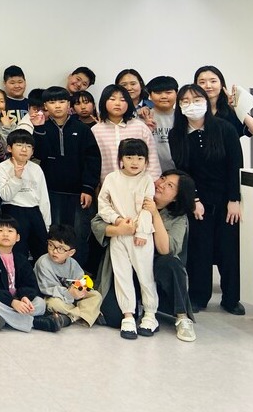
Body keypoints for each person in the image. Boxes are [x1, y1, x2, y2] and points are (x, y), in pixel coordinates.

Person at [92, 170, 199, 342]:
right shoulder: (132, 195)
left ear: (176, 197)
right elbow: (97, 223)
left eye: (170, 186)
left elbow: (166, 249)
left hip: (155, 268)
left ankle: (182, 316)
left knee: (171, 264)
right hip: (125, 265)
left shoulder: (178, 218)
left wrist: (154, 213)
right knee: (113, 317)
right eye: (162, 178)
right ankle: (137, 308)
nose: (161, 184)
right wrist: (119, 229)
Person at [169, 84, 244, 315]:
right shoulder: (176, 134)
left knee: (229, 251)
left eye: (197, 99)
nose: (192, 105)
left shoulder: (224, 128)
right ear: (180, 106)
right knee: (199, 251)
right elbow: (182, 170)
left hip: (226, 201)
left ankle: (231, 298)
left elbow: (235, 165)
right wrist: (194, 199)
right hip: (197, 202)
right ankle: (199, 296)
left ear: (205, 101)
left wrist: (234, 199)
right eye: (185, 101)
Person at [31, 86, 101, 269]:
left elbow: (92, 160)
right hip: (51, 192)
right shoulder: (41, 128)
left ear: (69, 104)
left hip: (78, 193)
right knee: (53, 234)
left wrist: (88, 188)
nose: (57, 106)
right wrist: (38, 130)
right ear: (45, 106)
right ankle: (52, 273)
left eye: (62, 101)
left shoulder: (82, 129)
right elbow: (38, 155)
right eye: (52, 102)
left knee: (78, 235)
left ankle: (77, 274)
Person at [98, 138, 159, 338]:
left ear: (146, 161)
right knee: (122, 275)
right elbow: (103, 205)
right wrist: (116, 220)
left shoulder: (147, 180)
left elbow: (148, 208)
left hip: (141, 237)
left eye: (140, 158)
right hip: (119, 234)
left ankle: (150, 314)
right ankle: (128, 316)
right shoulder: (112, 178)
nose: (135, 162)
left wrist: (141, 231)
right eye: (130, 157)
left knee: (145, 276)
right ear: (121, 159)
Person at [0, 216, 63, 333]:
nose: (5, 234)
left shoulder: (21, 259)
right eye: (0, 230)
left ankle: (0, 318)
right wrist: (11, 302)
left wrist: (25, 297)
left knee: (40, 303)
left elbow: (30, 283)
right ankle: (34, 323)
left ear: (17, 237)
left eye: (10, 231)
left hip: (17, 299)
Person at [0, 129, 50, 263]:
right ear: (9, 148)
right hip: (13, 211)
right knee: (18, 252)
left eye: (28, 146)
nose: (24, 149)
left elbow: (44, 198)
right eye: (19, 145)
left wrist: (47, 225)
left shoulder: (36, 168)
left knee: (41, 251)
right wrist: (16, 177)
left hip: (34, 211)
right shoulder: (2, 167)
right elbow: (5, 196)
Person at [33, 224, 104, 328]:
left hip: (72, 297)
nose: (54, 251)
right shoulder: (43, 262)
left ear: (71, 252)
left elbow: (80, 279)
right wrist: (69, 294)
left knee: (96, 296)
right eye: (51, 245)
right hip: (52, 297)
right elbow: (47, 289)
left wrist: (81, 289)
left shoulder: (72, 263)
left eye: (61, 249)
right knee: (54, 304)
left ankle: (70, 317)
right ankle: (87, 313)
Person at [91, 85, 161, 184]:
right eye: (112, 99)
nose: (117, 103)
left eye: (123, 100)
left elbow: (152, 157)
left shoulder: (140, 127)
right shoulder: (96, 130)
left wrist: (152, 182)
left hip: (139, 184)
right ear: (103, 102)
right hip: (108, 185)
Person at [195, 65, 253, 137]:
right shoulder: (192, 111)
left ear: (221, 84)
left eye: (213, 81)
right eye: (202, 82)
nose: (208, 86)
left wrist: (238, 109)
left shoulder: (230, 111)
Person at [144, 75, 179, 171]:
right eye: (158, 93)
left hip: (180, 172)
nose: (163, 96)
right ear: (150, 95)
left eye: (168, 92)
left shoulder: (184, 117)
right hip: (150, 171)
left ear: (177, 93)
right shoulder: (144, 117)